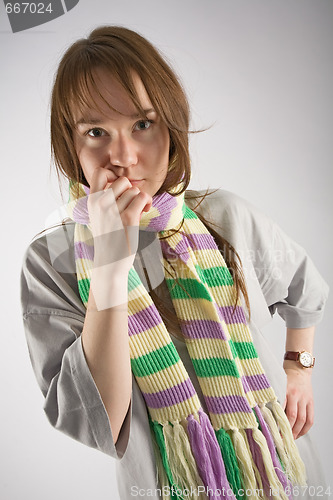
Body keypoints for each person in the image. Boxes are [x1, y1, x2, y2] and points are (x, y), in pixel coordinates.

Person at [21, 26, 329, 500]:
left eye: (142, 124)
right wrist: (109, 264)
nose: (123, 156)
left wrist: (299, 369)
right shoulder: (53, 258)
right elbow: (99, 420)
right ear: (71, 145)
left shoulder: (222, 215)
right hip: (166, 486)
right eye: (96, 132)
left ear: (171, 125)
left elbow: (304, 286)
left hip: (281, 475)